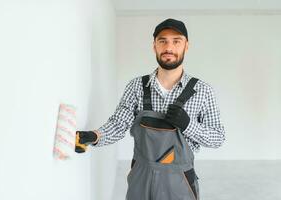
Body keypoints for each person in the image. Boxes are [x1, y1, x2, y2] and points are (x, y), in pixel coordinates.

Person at [76, 18, 226, 200]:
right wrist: (94, 136)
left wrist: (188, 125)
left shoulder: (202, 91)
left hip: (179, 181)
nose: (169, 47)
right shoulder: (136, 86)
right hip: (141, 177)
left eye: (176, 41)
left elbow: (218, 138)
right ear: (154, 46)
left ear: (186, 46)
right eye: (162, 41)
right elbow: (118, 124)